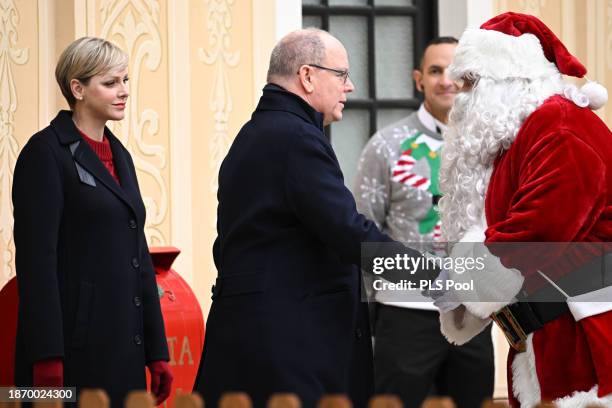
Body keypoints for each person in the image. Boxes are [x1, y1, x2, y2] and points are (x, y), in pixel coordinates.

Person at [192, 28, 430, 408]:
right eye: (341, 75)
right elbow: (350, 232)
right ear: (306, 76)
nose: (350, 86)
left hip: (251, 339)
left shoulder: (254, 134)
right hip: (291, 351)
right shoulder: (296, 138)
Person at [437, 12, 612, 407]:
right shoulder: (521, 134)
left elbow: (538, 231)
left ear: (508, 80)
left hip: (585, 332)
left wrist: (460, 279)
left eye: (472, 83)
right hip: (542, 333)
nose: (460, 94)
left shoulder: (561, 126)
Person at [12, 37, 172, 406]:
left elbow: (138, 256)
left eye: (126, 81)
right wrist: (46, 356)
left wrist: (156, 351)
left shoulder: (121, 156)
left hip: (124, 350)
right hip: (72, 354)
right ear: (77, 88)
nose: (124, 92)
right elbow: (37, 263)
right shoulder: (45, 154)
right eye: (111, 82)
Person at [353, 37, 494, 408]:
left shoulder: (490, 147)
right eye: (435, 71)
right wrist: (370, 313)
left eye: (456, 71)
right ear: (419, 80)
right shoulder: (385, 146)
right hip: (404, 313)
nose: (446, 80)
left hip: (472, 314)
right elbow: (364, 233)